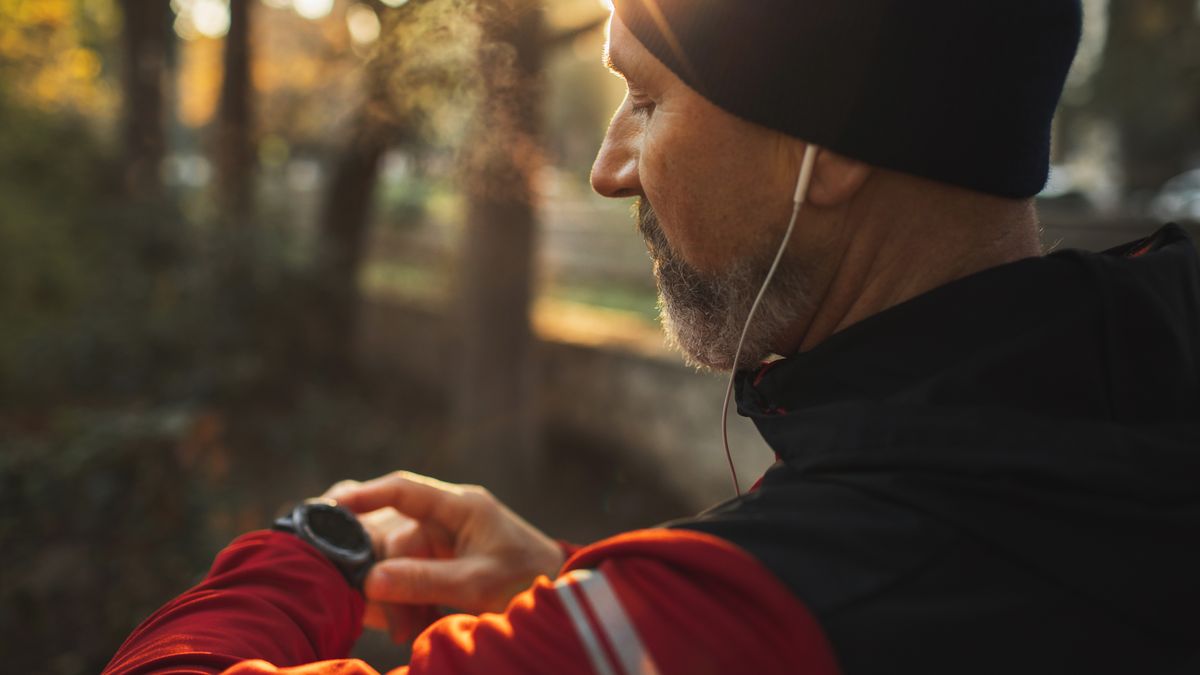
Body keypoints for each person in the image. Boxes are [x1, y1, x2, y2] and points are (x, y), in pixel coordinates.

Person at [104, 1, 1200, 674]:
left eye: (645, 98)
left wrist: (316, 548)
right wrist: (586, 590)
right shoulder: (1151, 366)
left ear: (832, 145)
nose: (608, 166)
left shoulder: (769, 604)